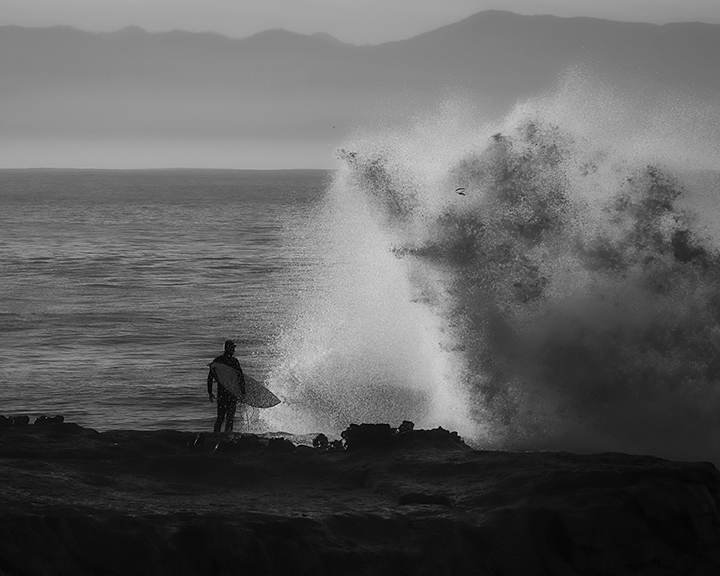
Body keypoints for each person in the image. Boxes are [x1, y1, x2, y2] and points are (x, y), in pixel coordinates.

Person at [207, 339, 245, 433]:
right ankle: (226, 437)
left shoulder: (218, 360)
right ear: (228, 348)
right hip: (230, 394)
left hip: (224, 394)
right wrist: (242, 393)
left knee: (222, 418)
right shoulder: (233, 361)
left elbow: (210, 377)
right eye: (232, 348)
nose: (233, 350)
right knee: (228, 419)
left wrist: (210, 392)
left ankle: (217, 436)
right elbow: (241, 378)